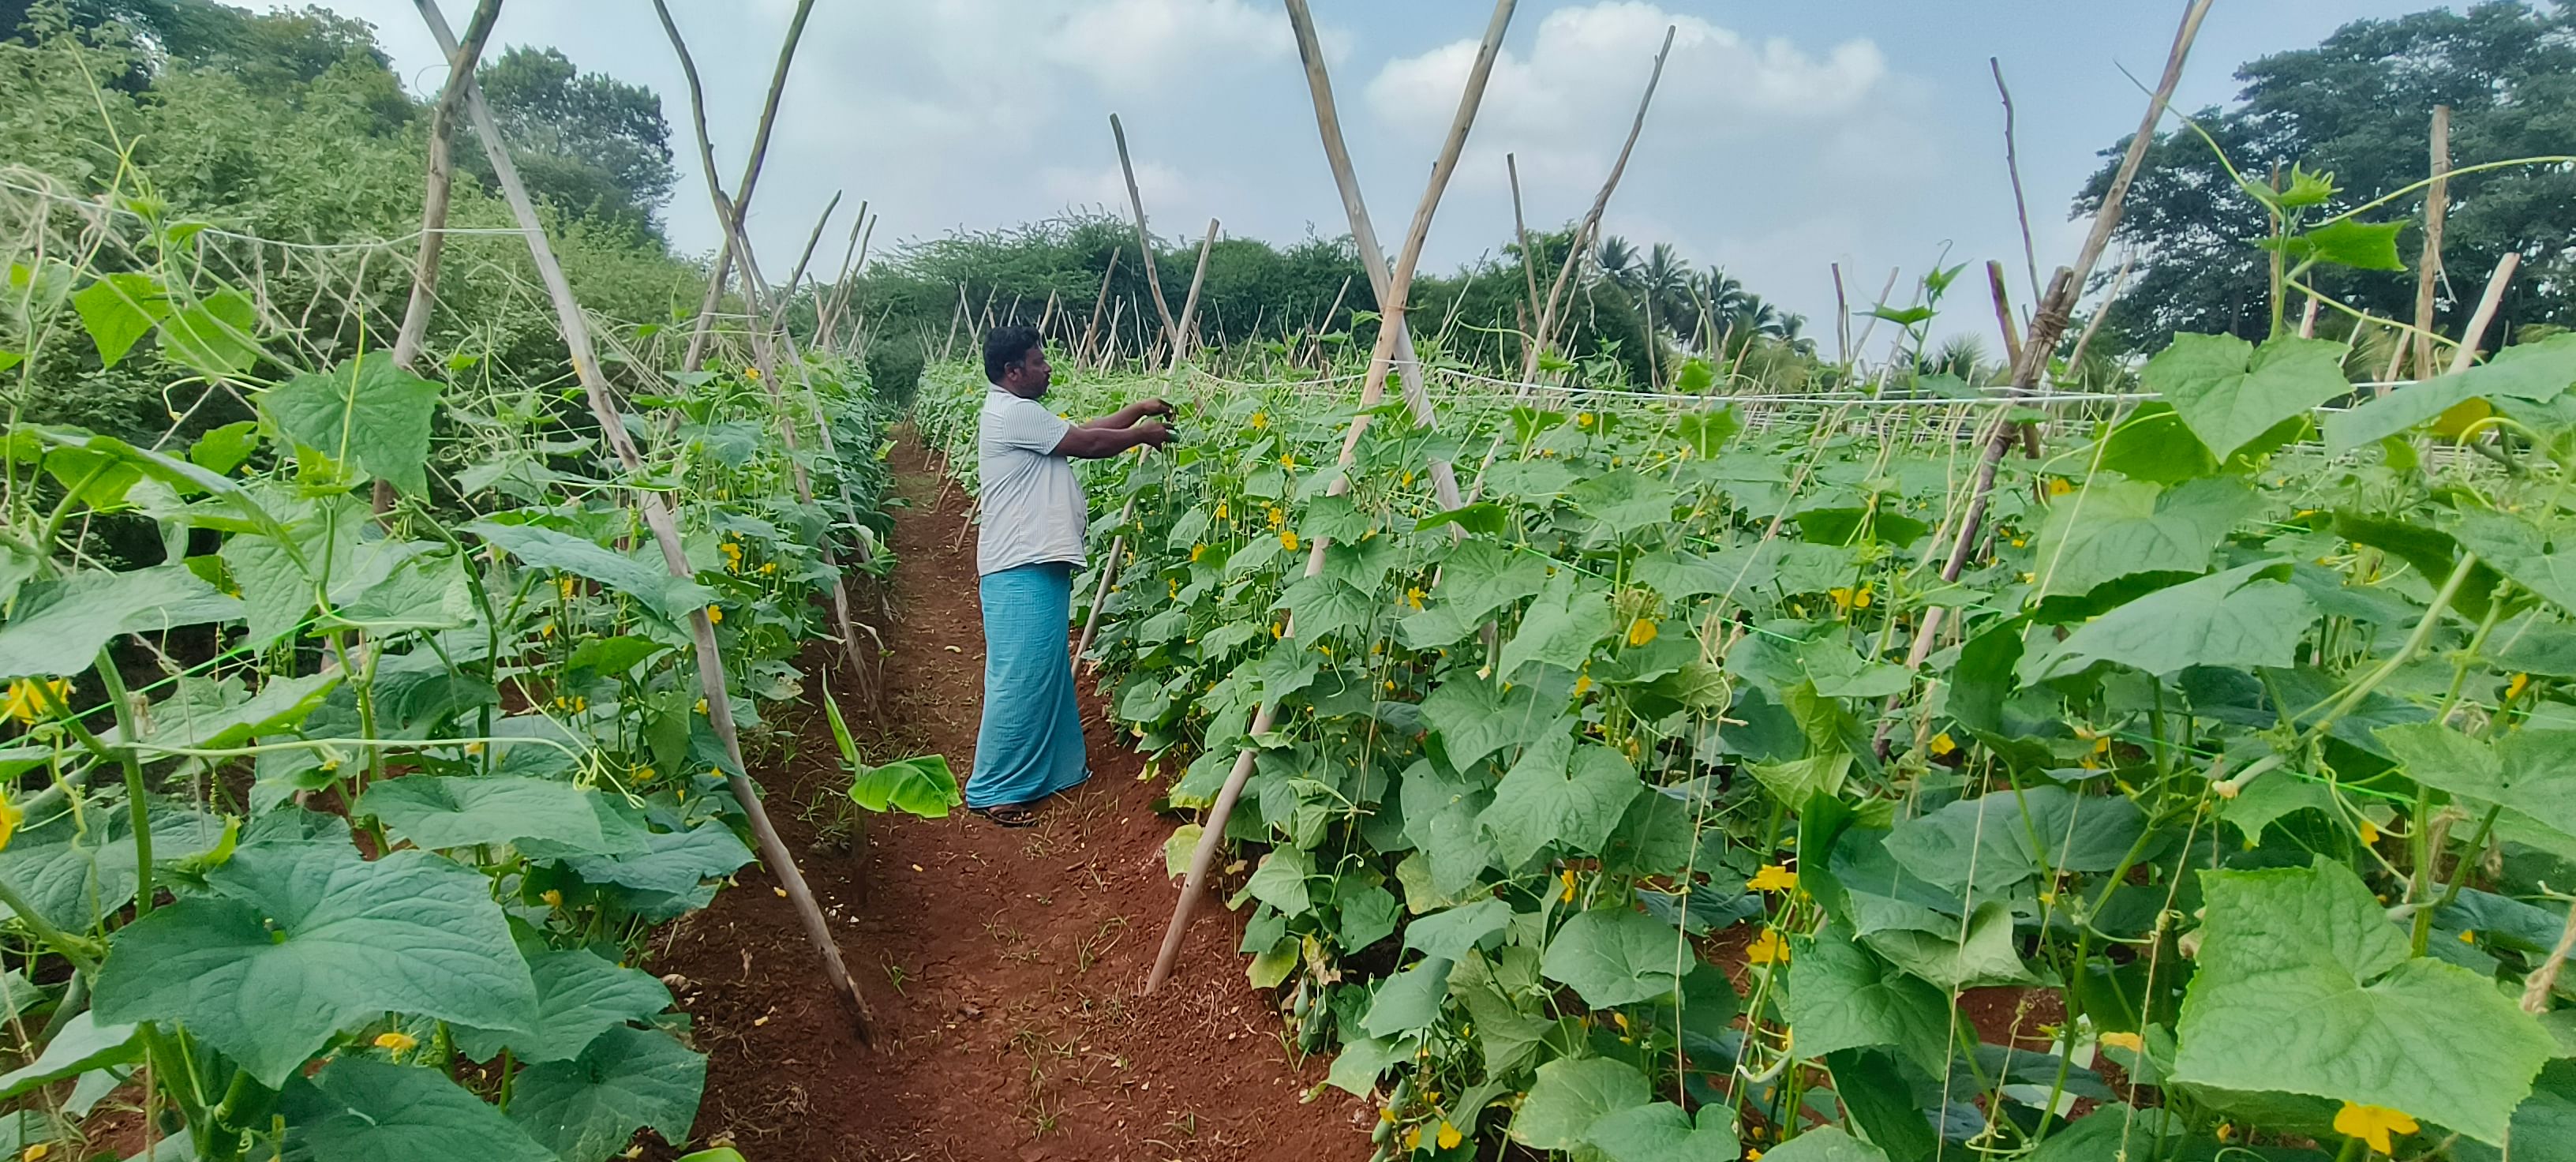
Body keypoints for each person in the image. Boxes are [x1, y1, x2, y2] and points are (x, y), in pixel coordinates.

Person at [967, 325, 1174, 827]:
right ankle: (995, 790)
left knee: (1046, 674)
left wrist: (1137, 411)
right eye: (1038, 362)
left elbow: (1077, 429)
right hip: (1019, 566)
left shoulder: (1019, 412)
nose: (1048, 368)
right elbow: (1088, 443)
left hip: (1033, 562)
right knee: (1020, 677)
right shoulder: (1012, 412)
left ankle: (1052, 773)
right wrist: (1142, 436)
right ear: (1012, 372)